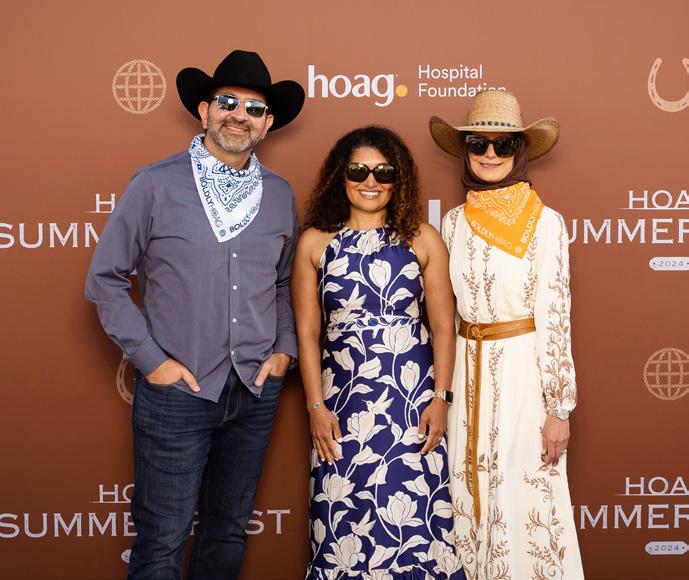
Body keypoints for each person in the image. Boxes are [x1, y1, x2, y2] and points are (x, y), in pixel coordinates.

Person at [85, 50, 304, 579]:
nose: (239, 115)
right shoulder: (155, 184)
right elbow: (105, 280)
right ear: (204, 110)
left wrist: (284, 351)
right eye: (227, 102)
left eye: (254, 108)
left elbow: (281, 283)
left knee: (226, 533)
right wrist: (153, 362)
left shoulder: (279, 195)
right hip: (177, 393)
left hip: (254, 391)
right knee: (162, 541)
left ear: (267, 124)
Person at [292, 126, 466, 579]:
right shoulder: (315, 242)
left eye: (383, 172)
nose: (370, 181)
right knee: (342, 519)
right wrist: (315, 407)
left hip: (412, 405)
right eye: (358, 171)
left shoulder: (422, 238)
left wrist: (440, 399)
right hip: (341, 408)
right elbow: (307, 333)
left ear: (398, 179)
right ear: (340, 176)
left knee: (415, 522)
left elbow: (443, 328)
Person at [429, 89, 584, 579]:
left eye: (504, 144)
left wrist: (558, 408)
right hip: (466, 379)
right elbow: (445, 316)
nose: (490, 154)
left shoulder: (546, 223)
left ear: (520, 152)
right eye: (478, 143)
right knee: (466, 495)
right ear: (465, 152)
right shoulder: (453, 222)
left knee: (524, 500)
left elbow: (555, 315)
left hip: (523, 381)